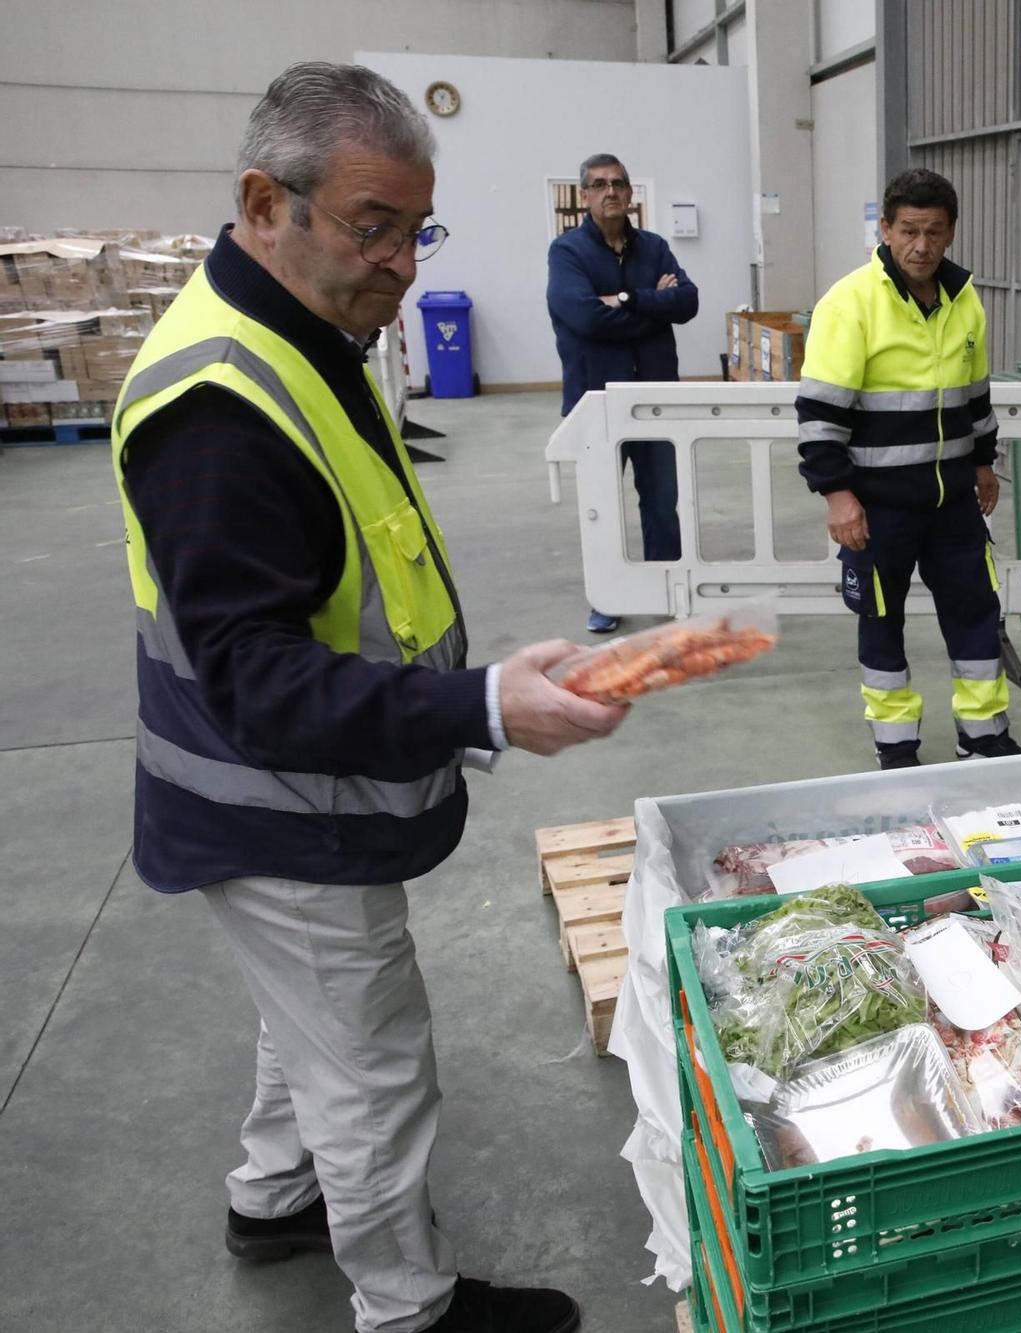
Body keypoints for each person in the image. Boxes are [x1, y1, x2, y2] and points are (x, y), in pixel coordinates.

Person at [112, 63, 628, 1333]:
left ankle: (271, 1196)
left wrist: (475, 683)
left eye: (415, 228)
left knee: (306, 1026)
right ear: (262, 200)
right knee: (371, 1055)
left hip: (299, 785)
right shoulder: (220, 405)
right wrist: (481, 708)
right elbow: (260, 679)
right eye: (370, 225)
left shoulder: (308, 335)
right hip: (278, 800)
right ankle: (409, 1307)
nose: (399, 261)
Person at [795, 167, 1021, 769]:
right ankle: (895, 748)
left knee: (976, 612)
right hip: (877, 506)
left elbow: (975, 392)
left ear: (951, 233)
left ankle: (984, 736)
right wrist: (837, 496)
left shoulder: (963, 298)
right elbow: (819, 414)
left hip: (952, 502)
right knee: (881, 621)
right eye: (909, 231)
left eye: (935, 232)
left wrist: (982, 462)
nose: (922, 246)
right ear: (886, 229)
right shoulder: (850, 303)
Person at [546, 152, 700, 634]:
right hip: (598, 404)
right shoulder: (567, 252)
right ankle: (606, 598)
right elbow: (585, 317)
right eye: (599, 184)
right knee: (601, 506)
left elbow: (688, 301)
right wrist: (654, 308)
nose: (610, 191)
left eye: (618, 183)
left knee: (661, 501)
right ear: (585, 196)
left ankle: (664, 587)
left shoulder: (653, 247)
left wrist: (630, 299)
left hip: (655, 400)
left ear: (631, 194)